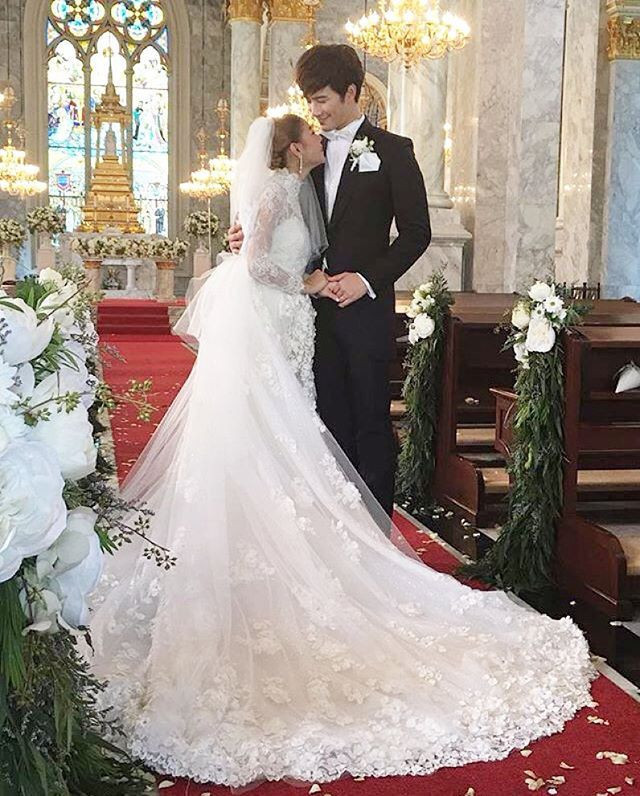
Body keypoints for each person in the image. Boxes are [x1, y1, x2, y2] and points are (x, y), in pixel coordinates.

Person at [88, 113, 594, 790]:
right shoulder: (286, 179)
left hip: (328, 317)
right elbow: (261, 254)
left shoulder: (372, 155)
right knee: (283, 432)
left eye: (324, 104)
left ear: (350, 95)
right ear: (293, 143)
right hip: (288, 318)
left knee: (333, 433)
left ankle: (360, 540)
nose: (319, 122)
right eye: (311, 116)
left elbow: (402, 233)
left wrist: (335, 275)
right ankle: (282, 545)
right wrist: (274, 260)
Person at [229, 45, 431, 517]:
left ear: (352, 92)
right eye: (310, 101)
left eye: (322, 99)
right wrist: (243, 235)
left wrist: (366, 279)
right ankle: (336, 528)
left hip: (365, 315)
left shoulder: (394, 151)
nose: (315, 111)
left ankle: (376, 530)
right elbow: (272, 214)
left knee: (371, 425)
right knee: (323, 424)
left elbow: (416, 234)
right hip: (310, 315)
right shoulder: (306, 153)